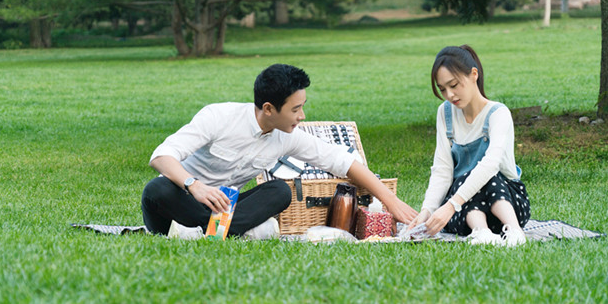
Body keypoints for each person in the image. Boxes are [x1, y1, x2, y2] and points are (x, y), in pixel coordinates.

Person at [141, 63, 417, 239]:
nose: (302, 116)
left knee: (279, 191)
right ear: (269, 109)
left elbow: (343, 162)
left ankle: (201, 233)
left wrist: (390, 201)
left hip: (226, 209)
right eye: (295, 109)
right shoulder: (218, 117)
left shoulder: (288, 136)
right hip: (182, 203)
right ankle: (226, 230)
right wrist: (195, 186)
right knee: (156, 189)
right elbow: (161, 156)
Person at [407, 45, 530, 246]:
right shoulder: (445, 113)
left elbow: (490, 165)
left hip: (508, 202)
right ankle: (481, 232)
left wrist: (451, 205)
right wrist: (427, 211)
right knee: (463, 180)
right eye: (442, 89)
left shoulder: (498, 114)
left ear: (474, 74)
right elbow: (442, 169)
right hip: (465, 213)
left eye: (454, 85)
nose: (449, 95)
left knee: (484, 175)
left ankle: (515, 232)